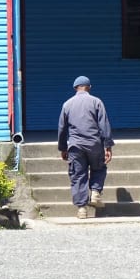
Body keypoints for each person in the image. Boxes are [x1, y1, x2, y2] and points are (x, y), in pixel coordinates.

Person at [58, 75, 114, 219]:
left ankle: (82, 209)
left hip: (75, 146)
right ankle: (95, 192)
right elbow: (104, 125)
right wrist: (107, 146)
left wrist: (63, 148)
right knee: (99, 168)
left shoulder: (67, 104)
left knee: (78, 175)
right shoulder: (96, 102)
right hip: (94, 144)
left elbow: (62, 129)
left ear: (76, 88)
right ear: (89, 87)